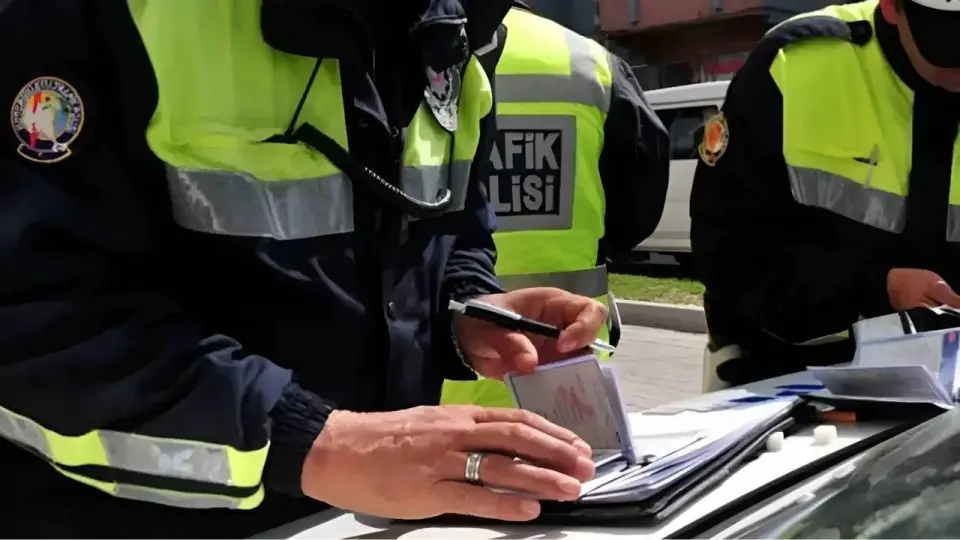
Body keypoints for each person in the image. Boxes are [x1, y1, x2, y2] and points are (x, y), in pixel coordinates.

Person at [0, 0, 609, 536]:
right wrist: (314, 443)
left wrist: (466, 306)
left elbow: (451, 224)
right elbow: (34, 315)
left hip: (359, 519)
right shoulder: (92, 16)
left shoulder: (455, 26)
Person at [691, 0, 960, 387]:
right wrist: (875, 287)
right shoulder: (794, 64)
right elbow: (728, 253)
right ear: (892, 7)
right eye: (949, 42)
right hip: (792, 381)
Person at [440, 2, 670, 408]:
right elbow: (638, 208)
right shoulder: (591, 62)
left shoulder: (406, 54)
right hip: (563, 376)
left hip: (432, 388)